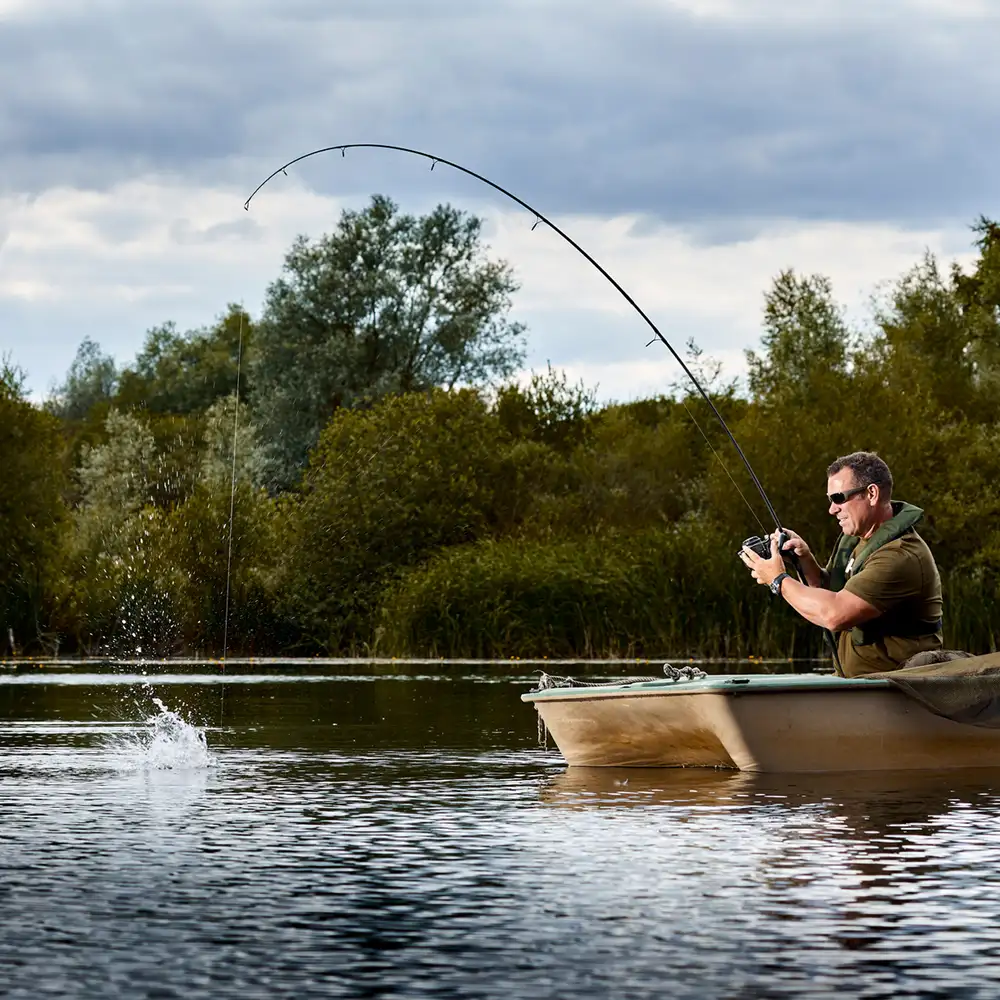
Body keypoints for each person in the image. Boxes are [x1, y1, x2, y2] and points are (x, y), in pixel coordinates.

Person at [740, 451, 943, 677]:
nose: (832, 509)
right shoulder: (858, 541)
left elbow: (834, 614)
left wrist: (778, 580)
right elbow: (831, 594)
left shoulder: (900, 555)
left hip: (897, 692)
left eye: (838, 498)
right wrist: (805, 561)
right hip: (857, 687)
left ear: (872, 494)